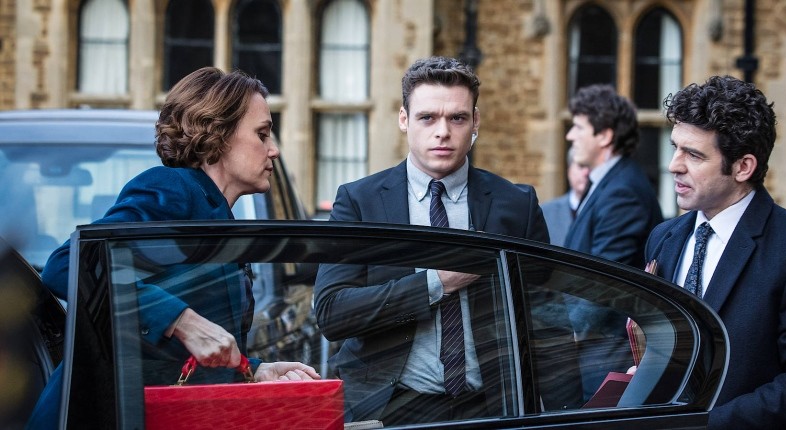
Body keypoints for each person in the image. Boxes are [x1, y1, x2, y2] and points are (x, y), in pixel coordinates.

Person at [27, 67, 320, 428]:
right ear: (218, 133)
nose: (273, 150)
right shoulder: (172, 188)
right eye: (261, 134)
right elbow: (67, 263)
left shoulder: (219, 216)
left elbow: (188, 351)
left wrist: (254, 369)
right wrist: (181, 320)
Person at [313, 56, 581, 425]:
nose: (443, 132)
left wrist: (570, 417)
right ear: (404, 119)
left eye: (457, 118)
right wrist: (436, 282)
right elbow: (333, 312)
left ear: (475, 121)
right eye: (427, 118)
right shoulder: (360, 201)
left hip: (490, 408)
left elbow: (547, 322)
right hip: (391, 407)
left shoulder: (515, 205)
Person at [644, 75, 786, 429]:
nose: (674, 164)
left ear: (743, 167)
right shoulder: (664, 237)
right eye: (676, 147)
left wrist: (702, 425)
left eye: (693, 154)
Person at [562, 84, 664, 399]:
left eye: (578, 127)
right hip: (597, 350)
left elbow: (605, 280)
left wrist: (558, 338)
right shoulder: (608, 182)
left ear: (605, 136)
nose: (570, 136)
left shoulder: (622, 191)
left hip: (606, 354)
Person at [540, 147, 590, 245]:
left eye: (590, 167)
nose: (585, 173)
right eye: (581, 166)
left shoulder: (606, 211)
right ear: (569, 171)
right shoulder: (545, 213)